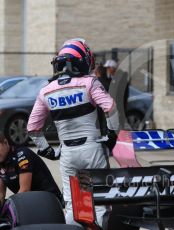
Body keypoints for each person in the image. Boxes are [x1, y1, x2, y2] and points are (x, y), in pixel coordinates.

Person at [27, 38, 118, 228]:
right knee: (99, 202)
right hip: (92, 149)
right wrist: (112, 135)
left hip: (67, 153)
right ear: (81, 60)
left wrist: (47, 150)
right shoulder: (89, 82)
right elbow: (110, 107)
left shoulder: (46, 90)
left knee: (72, 204)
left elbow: (32, 128)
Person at [0, 133, 63, 207]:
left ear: (5, 143)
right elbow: (1, 194)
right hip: (30, 204)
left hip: (49, 202)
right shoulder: (1, 160)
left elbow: (25, 190)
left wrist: (8, 208)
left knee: (10, 206)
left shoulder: (22, 155)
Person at [104, 59, 130, 129]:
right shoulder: (112, 78)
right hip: (114, 107)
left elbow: (120, 94)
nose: (108, 70)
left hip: (119, 106)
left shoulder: (119, 78)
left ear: (113, 68)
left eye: (109, 68)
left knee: (120, 125)